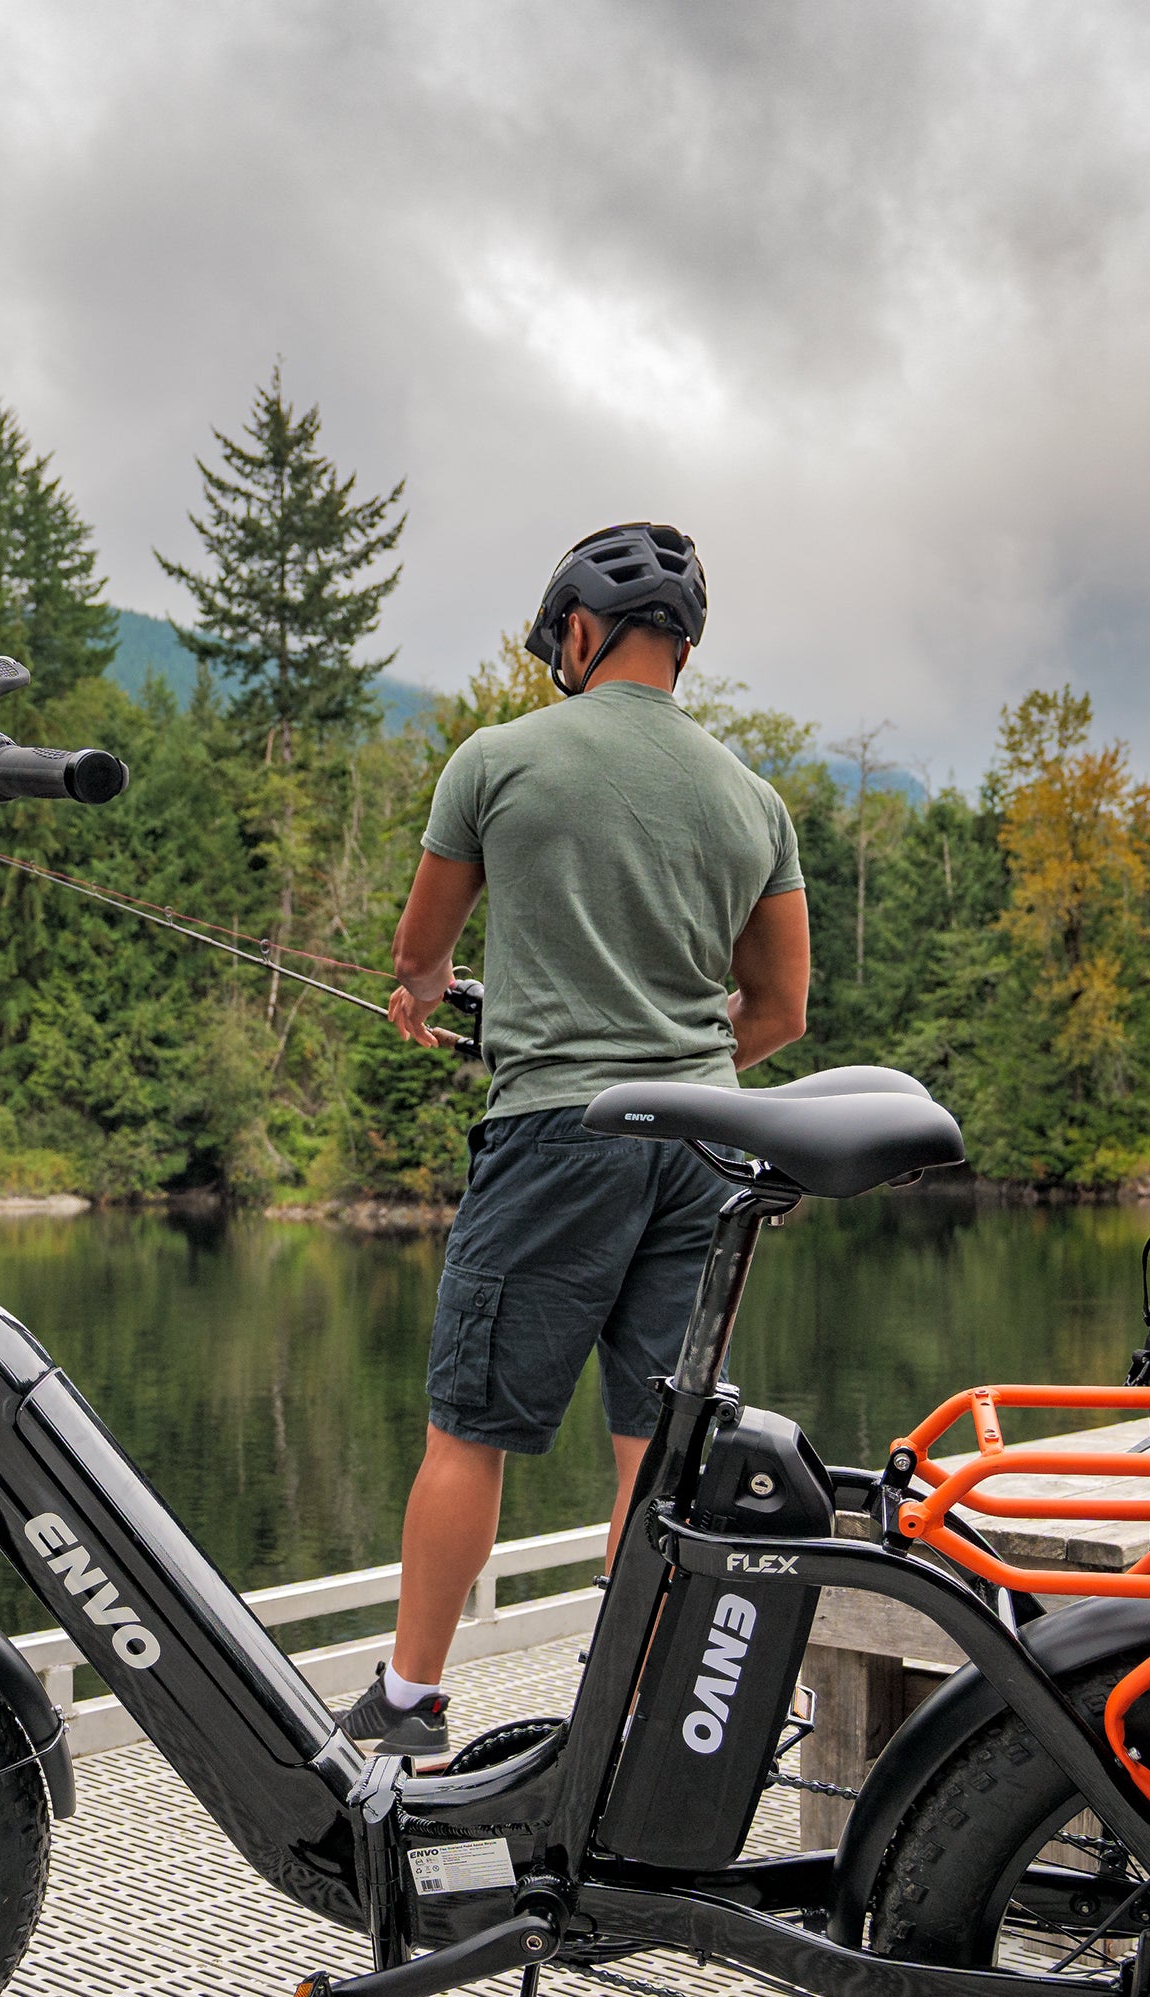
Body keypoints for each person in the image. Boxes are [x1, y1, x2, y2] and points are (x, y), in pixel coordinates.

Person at [337, 522, 810, 1758]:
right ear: (683, 648)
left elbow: (418, 953)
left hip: (555, 1138)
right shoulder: (754, 801)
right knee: (655, 1443)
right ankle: (632, 1719)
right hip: (704, 1148)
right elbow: (780, 1011)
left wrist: (425, 995)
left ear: (581, 633)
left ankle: (407, 1702)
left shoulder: (497, 760)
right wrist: (680, 1065)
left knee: (471, 1427)